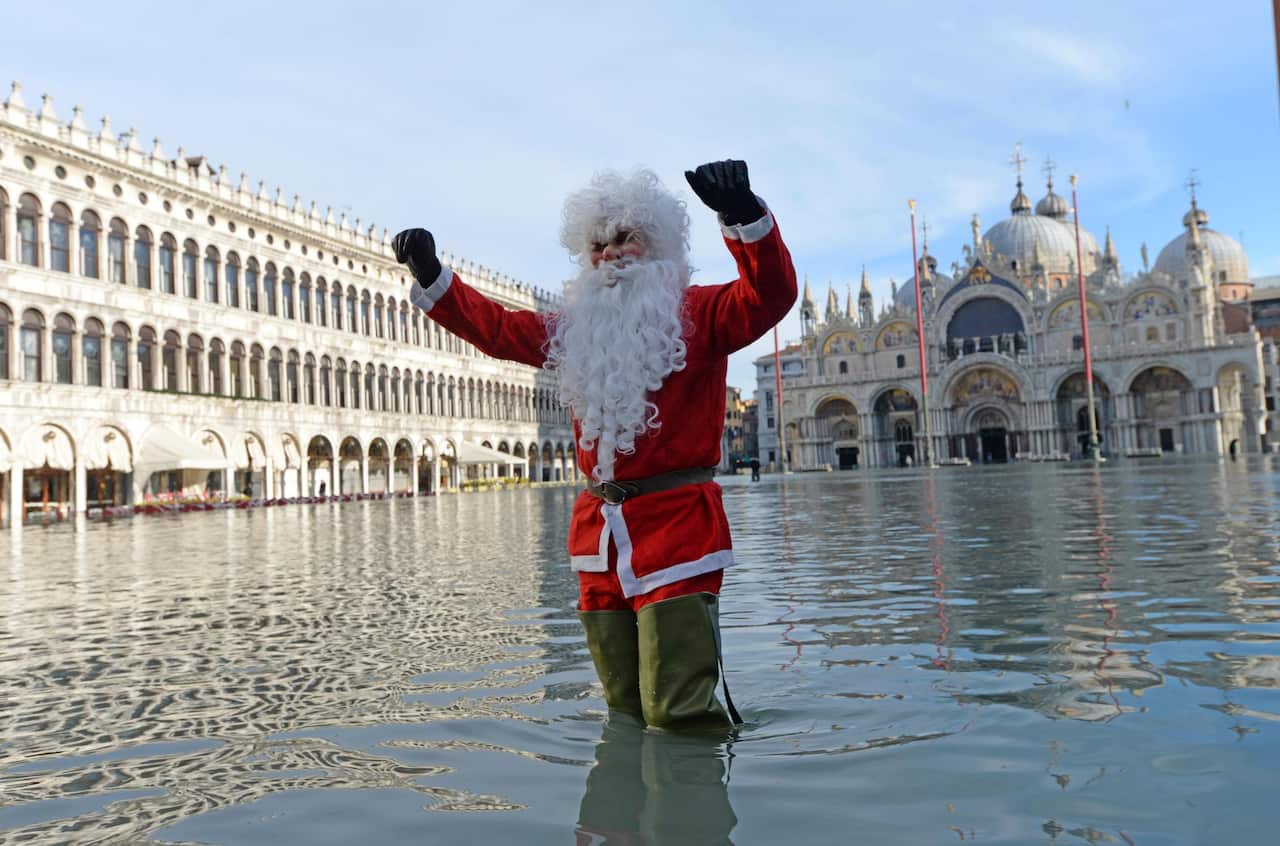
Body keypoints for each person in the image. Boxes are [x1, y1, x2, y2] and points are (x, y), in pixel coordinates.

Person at [393, 160, 796, 732]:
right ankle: (624, 821)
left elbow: (771, 295)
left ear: (654, 245)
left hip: (678, 532)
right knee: (623, 708)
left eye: (624, 239)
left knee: (681, 710)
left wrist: (742, 215)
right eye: (597, 245)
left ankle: (687, 816)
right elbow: (499, 330)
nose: (609, 254)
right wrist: (434, 275)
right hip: (598, 539)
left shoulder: (701, 312)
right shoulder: (573, 328)